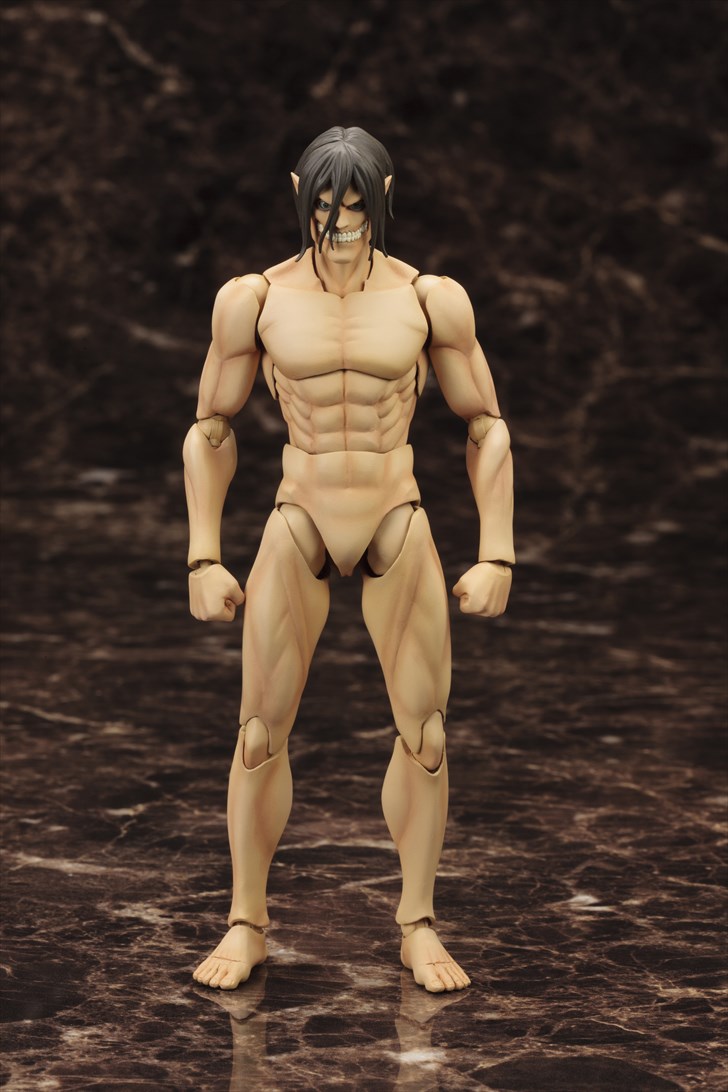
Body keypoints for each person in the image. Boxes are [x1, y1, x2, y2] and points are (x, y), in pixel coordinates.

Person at [183, 127, 514, 993]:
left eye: (358, 207)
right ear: (300, 195)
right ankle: (246, 921)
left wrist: (498, 553)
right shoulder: (253, 299)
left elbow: (485, 423)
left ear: (386, 197)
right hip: (300, 513)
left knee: (426, 734)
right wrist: (202, 557)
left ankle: (417, 923)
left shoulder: (429, 298)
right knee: (259, 732)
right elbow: (210, 427)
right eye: (326, 205)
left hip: (394, 514)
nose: (341, 224)